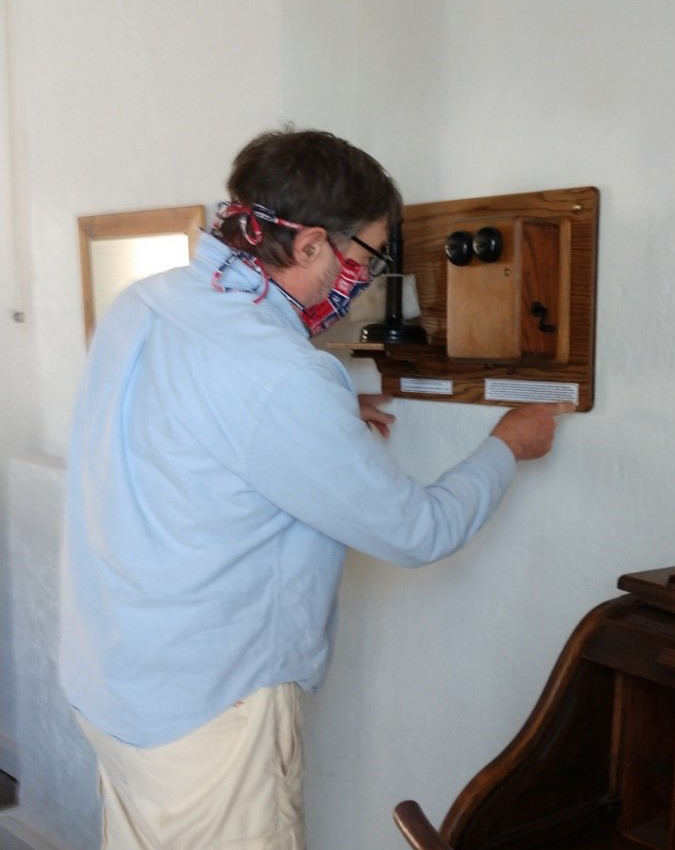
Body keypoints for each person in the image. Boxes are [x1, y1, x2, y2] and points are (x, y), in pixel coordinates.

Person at [58, 128, 573, 849]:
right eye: (364, 254)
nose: (364, 277)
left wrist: (320, 424)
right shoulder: (279, 374)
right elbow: (417, 531)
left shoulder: (146, 302)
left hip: (112, 674)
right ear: (308, 246)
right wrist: (506, 447)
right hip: (206, 712)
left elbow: (185, 425)